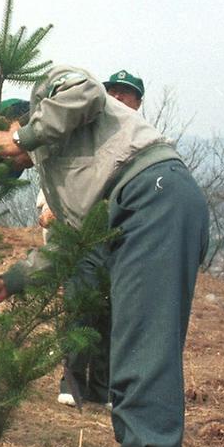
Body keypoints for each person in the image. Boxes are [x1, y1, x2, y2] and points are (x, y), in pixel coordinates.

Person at [0, 64, 209, 447]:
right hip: (132, 214)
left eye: (8, 154)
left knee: (145, 340)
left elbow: (87, 91)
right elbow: (71, 242)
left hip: (153, 196)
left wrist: (22, 138)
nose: (16, 162)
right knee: (128, 342)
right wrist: (11, 281)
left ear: (14, 124)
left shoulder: (53, 95)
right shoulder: (60, 174)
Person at [53, 70, 145, 409]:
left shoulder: (145, 140)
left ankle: (103, 387)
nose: (119, 99)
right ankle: (72, 383)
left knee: (113, 313)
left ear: (138, 103)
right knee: (80, 307)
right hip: (88, 233)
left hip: (125, 238)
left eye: (127, 95)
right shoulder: (93, 133)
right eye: (113, 93)